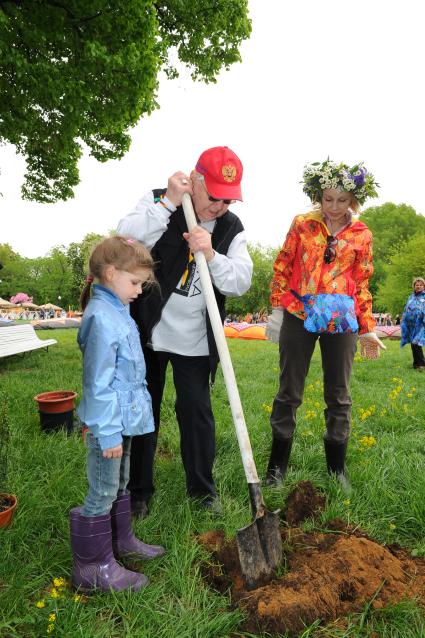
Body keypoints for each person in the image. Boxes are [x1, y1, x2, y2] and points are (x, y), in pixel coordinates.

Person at [117, 146, 253, 517]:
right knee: (145, 410)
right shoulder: (161, 200)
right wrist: (168, 205)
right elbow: (125, 240)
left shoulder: (230, 227)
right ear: (195, 180)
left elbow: (240, 281)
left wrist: (211, 255)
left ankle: (202, 490)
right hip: (149, 330)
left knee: (196, 412)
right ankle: (139, 490)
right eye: (214, 196)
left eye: (229, 199)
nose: (220, 206)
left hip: (194, 337)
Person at [265, 160, 385, 491]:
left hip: (341, 319)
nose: (333, 207)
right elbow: (283, 265)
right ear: (319, 196)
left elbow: (361, 284)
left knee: (339, 394)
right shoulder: (302, 224)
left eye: (341, 200)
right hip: (300, 315)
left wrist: (367, 327)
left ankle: (336, 469)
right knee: (289, 390)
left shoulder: (362, 235)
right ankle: (276, 468)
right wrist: (278, 308)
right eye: (327, 199)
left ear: (353, 201)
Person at [70, 236, 165, 593]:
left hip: (121, 420)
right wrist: (108, 432)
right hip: (107, 425)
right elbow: (97, 384)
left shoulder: (117, 310)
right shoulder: (101, 319)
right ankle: (92, 568)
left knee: (121, 481)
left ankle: (120, 540)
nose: (139, 290)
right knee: (102, 490)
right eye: (135, 282)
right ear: (110, 274)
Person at [400, 276, 425, 370]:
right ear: (414, 286)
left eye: (421, 285)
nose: (418, 286)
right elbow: (406, 308)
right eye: (417, 285)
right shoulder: (411, 297)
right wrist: (403, 318)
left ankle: (421, 364)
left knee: (416, 342)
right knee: (413, 344)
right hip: (411, 325)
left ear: (424, 286)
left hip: (421, 324)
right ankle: (416, 364)